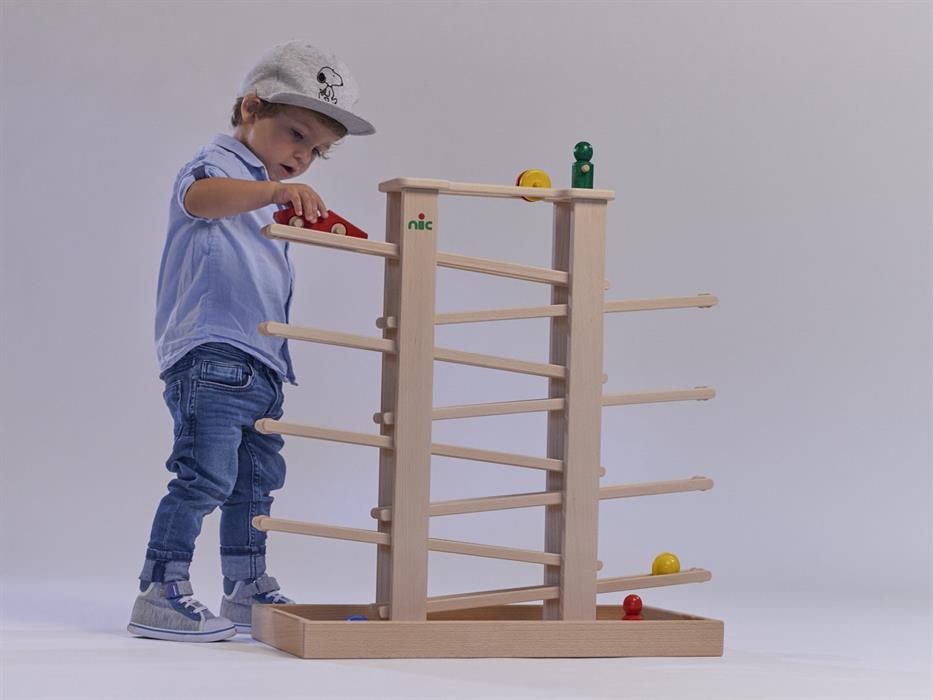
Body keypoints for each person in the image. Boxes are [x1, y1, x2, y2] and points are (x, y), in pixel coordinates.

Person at [127, 41, 376, 642]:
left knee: (255, 484)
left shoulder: (265, 189)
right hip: (211, 352)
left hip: (262, 360)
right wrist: (271, 194)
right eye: (296, 135)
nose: (302, 157)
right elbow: (199, 199)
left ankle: (245, 586)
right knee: (204, 476)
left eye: (317, 150)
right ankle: (160, 589)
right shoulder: (219, 167)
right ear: (250, 109)